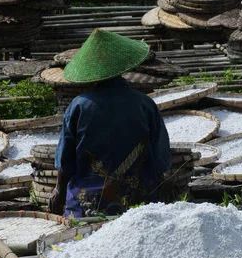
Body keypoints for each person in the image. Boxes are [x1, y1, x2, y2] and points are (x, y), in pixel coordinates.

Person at [49, 29, 172, 217]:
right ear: (122, 70)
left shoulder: (79, 106)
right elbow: (160, 155)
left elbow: (65, 158)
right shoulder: (144, 104)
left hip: (87, 205)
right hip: (140, 205)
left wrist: (59, 190)